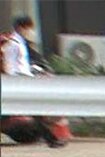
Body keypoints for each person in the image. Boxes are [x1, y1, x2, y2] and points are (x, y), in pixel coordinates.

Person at [1, 16, 65, 147]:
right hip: (14, 84)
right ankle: (52, 140)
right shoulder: (10, 43)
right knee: (30, 110)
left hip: (18, 84)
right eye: (28, 29)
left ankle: (52, 139)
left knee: (32, 111)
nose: (30, 32)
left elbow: (25, 65)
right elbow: (10, 66)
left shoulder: (21, 44)